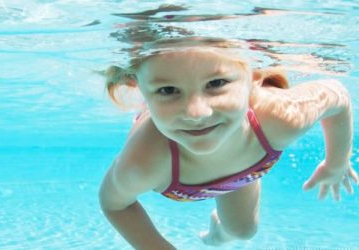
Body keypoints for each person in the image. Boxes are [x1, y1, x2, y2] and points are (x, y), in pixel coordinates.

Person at [98, 39, 357, 249]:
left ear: (254, 76)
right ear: (140, 88)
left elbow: (338, 95)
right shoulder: (143, 163)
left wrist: (336, 162)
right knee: (245, 230)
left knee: (243, 231)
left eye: (216, 83)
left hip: (245, 168)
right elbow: (114, 203)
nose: (196, 113)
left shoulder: (280, 118)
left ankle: (217, 237)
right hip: (236, 164)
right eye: (167, 90)